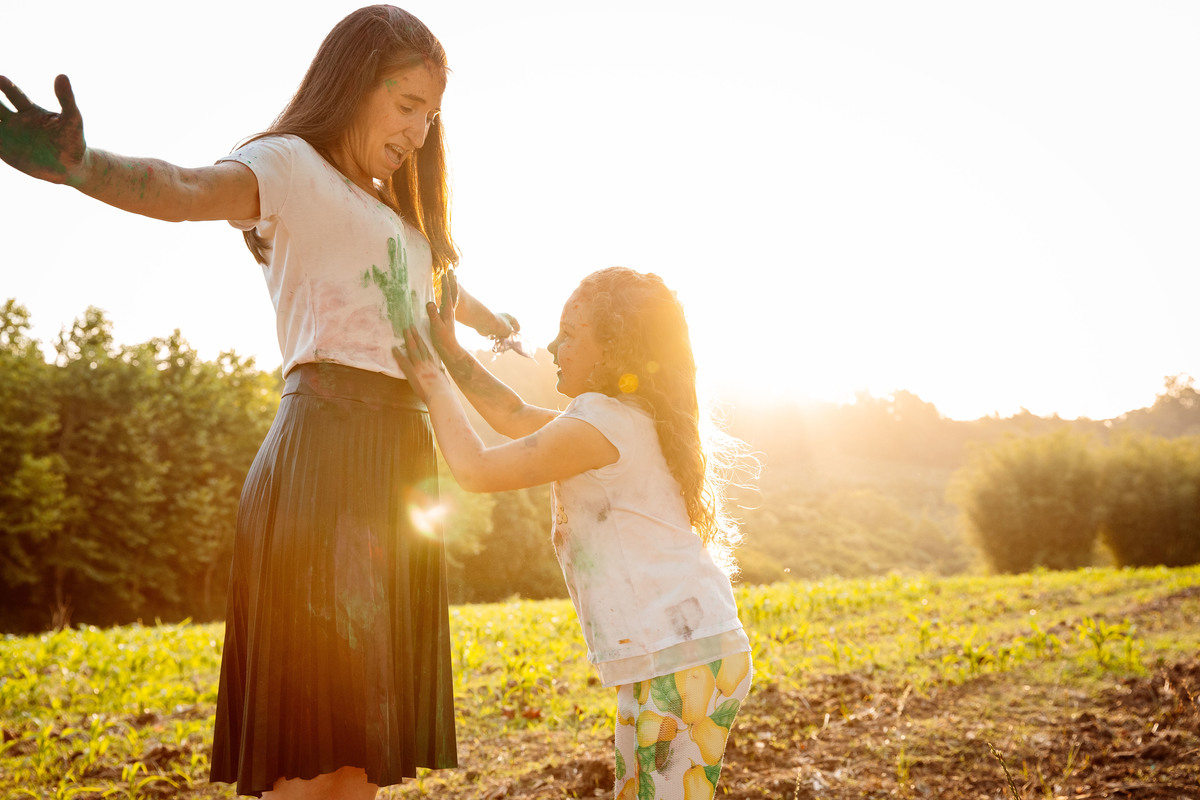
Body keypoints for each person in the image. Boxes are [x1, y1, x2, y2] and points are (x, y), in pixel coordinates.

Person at [0, 6, 518, 798]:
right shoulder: (288, 167)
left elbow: (440, 292)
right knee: (304, 764)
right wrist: (82, 166)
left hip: (397, 475)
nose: (419, 132)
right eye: (407, 105)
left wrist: (501, 326)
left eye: (432, 115)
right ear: (353, 84)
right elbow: (177, 188)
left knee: (358, 765)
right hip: (325, 463)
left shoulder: (401, 223)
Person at [394, 267, 755, 800]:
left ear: (612, 350)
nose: (551, 344)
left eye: (569, 334)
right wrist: (451, 351)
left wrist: (431, 382)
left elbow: (476, 469)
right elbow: (513, 414)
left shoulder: (603, 424)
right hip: (678, 651)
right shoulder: (616, 418)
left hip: (682, 656)